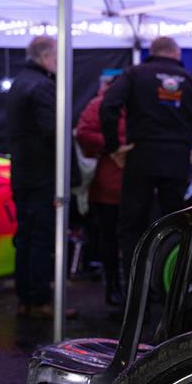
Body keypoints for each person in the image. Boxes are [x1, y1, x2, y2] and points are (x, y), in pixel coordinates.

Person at [100, 37, 192, 283]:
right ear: (175, 53)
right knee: (174, 226)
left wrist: (113, 147)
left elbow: (108, 106)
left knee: (132, 228)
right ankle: (169, 290)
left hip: (140, 158)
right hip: (176, 162)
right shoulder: (191, 80)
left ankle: (134, 292)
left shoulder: (135, 74)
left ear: (153, 52)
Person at [5, 36, 77, 320]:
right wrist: (69, 174)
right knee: (40, 239)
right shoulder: (44, 86)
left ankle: (25, 298)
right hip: (42, 174)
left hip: (22, 172)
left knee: (25, 237)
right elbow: (53, 133)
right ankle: (39, 300)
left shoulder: (19, 82)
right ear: (47, 57)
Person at [75, 72, 127, 306]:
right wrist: (115, 146)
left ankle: (133, 287)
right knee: (110, 239)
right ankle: (113, 287)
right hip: (108, 184)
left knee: (131, 239)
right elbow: (83, 134)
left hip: (136, 184)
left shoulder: (137, 104)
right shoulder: (99, 104)